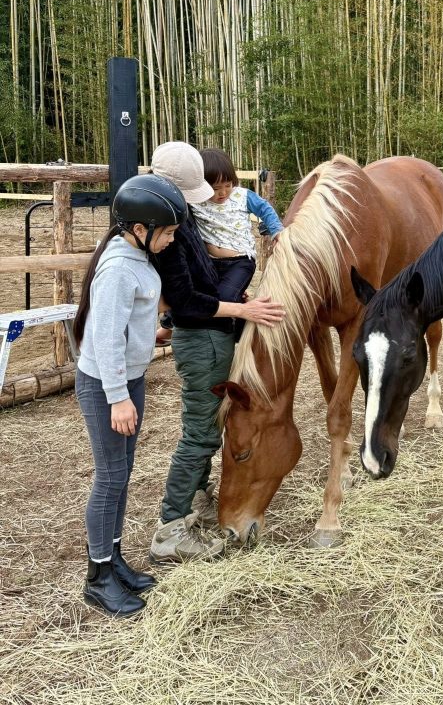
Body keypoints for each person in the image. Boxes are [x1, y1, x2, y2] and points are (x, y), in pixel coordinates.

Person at [148, 141, 285, 563]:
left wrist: (240, 261)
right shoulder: (166, 233)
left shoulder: (181, 222)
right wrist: (243, 308)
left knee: (212, 425)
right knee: (201, 433)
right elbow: (186, 300)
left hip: (211, 332)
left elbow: (203, 268)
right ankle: (170, 526)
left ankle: (201, 495)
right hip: (202, 336)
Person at [74, 174, 187, 617]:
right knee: (109, 478)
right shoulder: (120, 267)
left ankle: (113, 558)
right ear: (140, 229)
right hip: (107, 385)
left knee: (121, 474)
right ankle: (98, 578)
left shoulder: (134, 256)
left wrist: (152, 335)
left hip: (128, 379)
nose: (172, 239)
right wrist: (117, 396)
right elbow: (104, 336)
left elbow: (132, 319)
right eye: (169, 232)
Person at [155, 148, 283, 345]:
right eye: (215, 188)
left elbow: (264, 209)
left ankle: (240, 334)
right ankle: (169, 325)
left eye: (228, 185)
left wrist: (276, 231)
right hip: (211, 262)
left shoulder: (242, 196)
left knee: (224, 297)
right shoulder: (197, 200)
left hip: (240, 262)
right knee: (193, 290)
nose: (222, 192)